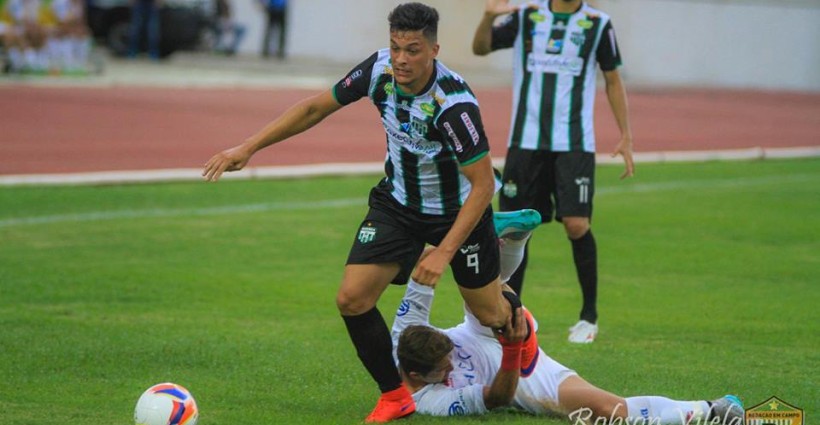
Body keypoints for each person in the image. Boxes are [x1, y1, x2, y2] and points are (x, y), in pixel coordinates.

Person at [203, 3, 538, 422]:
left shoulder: (454, 105)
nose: (401, 59)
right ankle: (395, 396)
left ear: (434, 49)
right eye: (396, 46)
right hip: (397, 204)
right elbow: (314, 108)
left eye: (413, 49)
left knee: (491, 316)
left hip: (456, 213)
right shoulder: (378, 70)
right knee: (352, 299)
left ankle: (516, 329)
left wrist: (442, 252)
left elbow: (485, 185)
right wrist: (247, 147)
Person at [390, 227, 746, 424]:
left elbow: (422, 277)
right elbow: (497, 398)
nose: (451, 364)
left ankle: (510, 239)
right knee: (609, 413)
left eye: (448, 355)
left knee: (481, 301)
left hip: (483, 330)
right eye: (444, 368)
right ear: (420, 376)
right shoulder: (429, 401)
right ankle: (713, 409)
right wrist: (513, 348)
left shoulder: (403, 338)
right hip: (520, 375)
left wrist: (445, 250)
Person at [472, 0, 636, 343]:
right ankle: (510, 314)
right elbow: (481, 48)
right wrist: (488, 18)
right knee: (514, 227)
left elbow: (613, 79)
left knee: (577, 225)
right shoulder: (527, 16)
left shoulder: (597, 24)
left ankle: (588, 317)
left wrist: (625, 135)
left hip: (574, 143)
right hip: (525, 143)